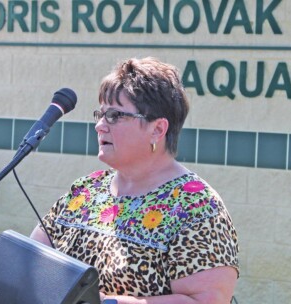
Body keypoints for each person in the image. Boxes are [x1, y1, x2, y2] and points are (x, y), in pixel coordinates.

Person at [31, 57, 239, 303]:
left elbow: (206, 301)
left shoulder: (196, 206)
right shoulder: (85, 191)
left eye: (114, 115)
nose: (99, 126)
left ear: (157, 130)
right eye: (100, 114)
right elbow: (31, 260)